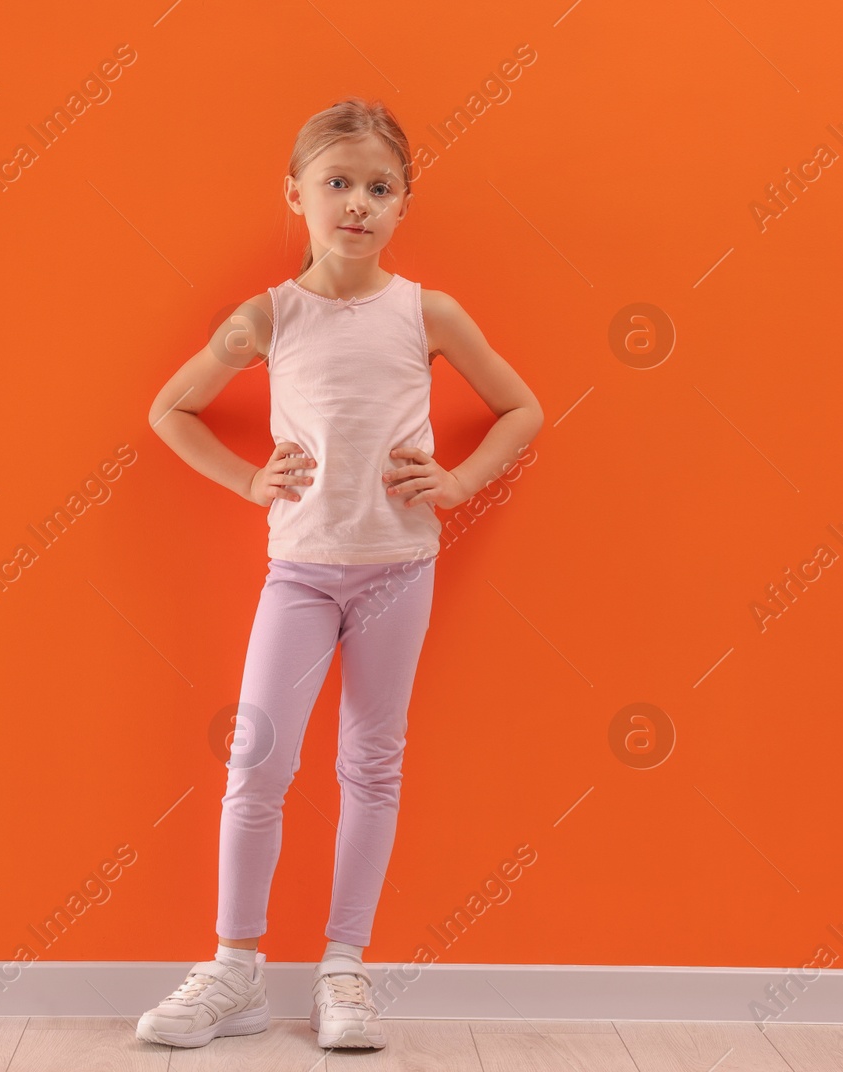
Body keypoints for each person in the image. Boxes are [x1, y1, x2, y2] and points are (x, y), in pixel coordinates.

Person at [139, 96, 543, 1051]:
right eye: (337, 183)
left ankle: (343, 971)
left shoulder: (426, 312)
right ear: (296, 196)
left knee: (371, 764)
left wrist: (457, 482)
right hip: (301, 573)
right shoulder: (268, 317)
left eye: (379, 187)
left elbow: (521, 408)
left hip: (398, 570)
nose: (357, 203)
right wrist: (247, 479)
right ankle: (236, 967)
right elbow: (171, 408)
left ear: (404, 205)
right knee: (257, 762)